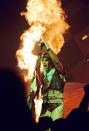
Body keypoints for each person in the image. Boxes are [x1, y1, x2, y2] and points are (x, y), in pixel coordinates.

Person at [28, 42, 66, 122]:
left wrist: (48, 50)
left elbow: (56, 62)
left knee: (56, 127)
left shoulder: (58, 72)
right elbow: (37, 70)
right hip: (46, 106)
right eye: (43, 60)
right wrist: (39, 56)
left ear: (50, 61)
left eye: (46, 60)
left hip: (57, 105)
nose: (44, 62)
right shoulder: (42, 75)